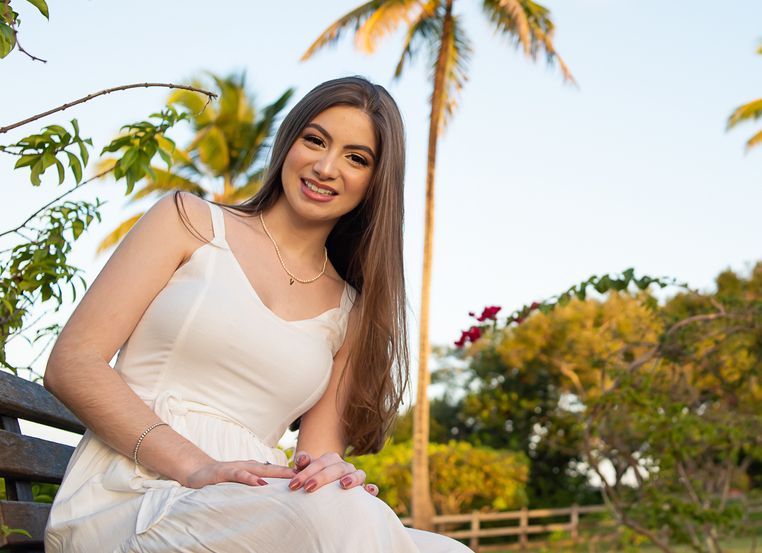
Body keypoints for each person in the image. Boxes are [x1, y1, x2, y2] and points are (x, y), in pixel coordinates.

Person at [43, 76, 468, 552]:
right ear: (289, 142)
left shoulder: (353, 312)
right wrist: (196, 467)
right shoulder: (187, 222)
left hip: (263, 505)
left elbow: (314, 461)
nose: (326, 167)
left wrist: (331, 474)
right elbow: (72, 363)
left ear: (376, 181)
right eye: (315, 140)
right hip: (135, 491)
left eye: (356, 158)